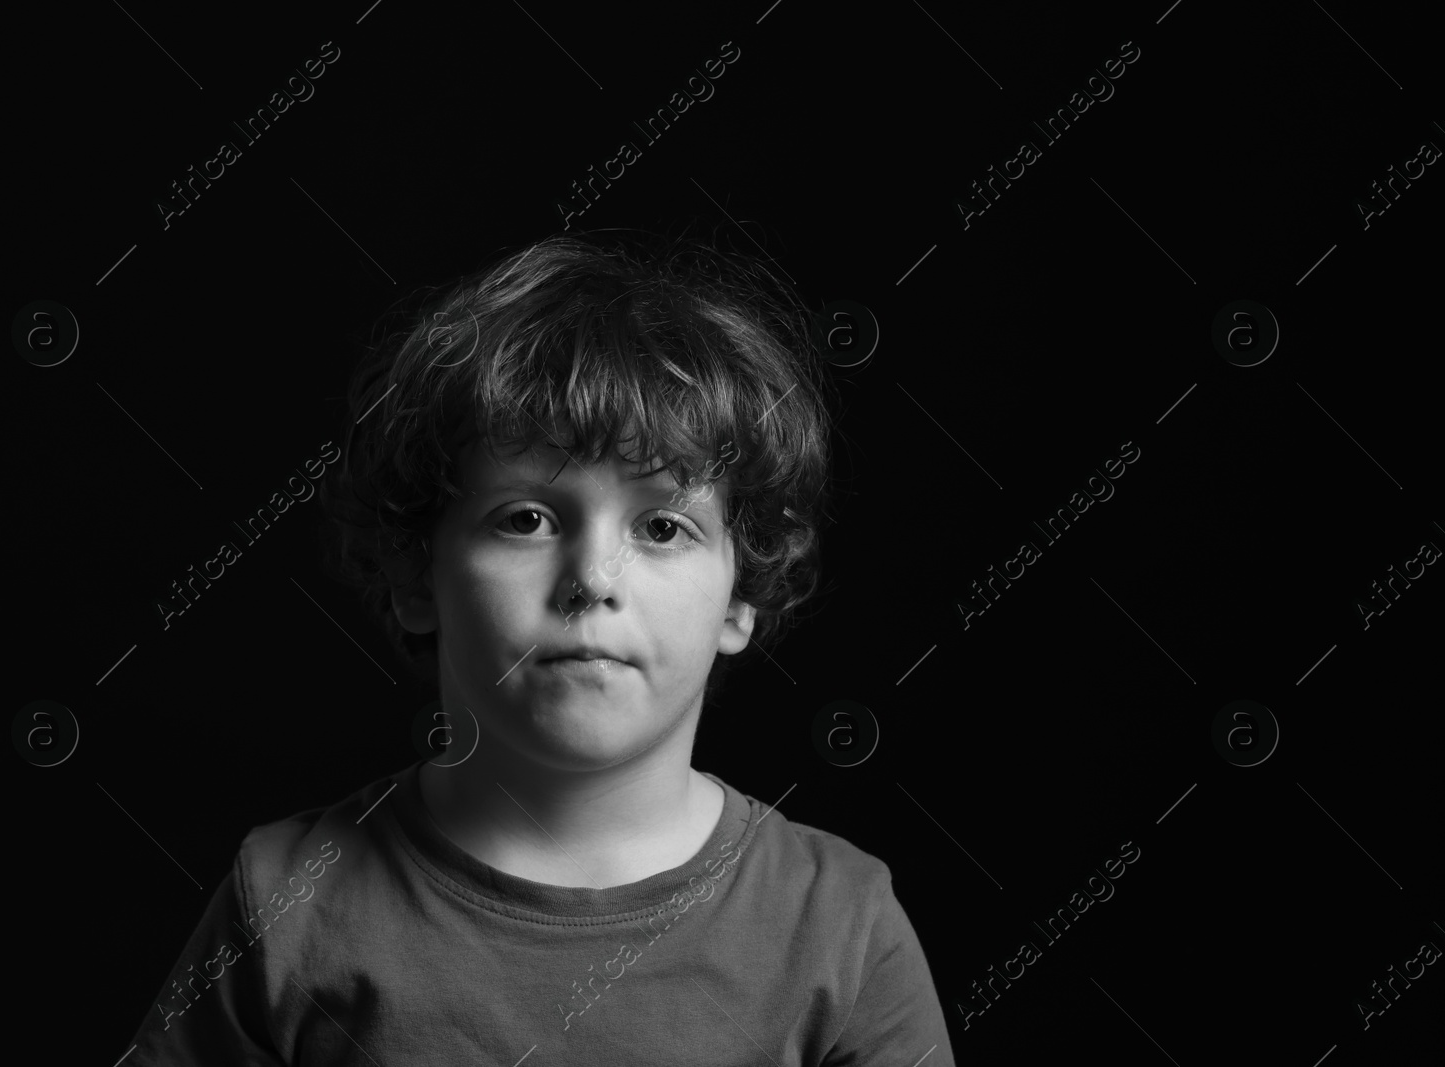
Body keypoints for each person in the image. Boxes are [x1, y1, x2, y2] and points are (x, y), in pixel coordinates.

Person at [121, 227, 957, 1065]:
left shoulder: (843, 926)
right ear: (419, 574)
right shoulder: (284, 901)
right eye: (527, 519)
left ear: (741, 595)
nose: (594, 576)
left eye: (663, 526)